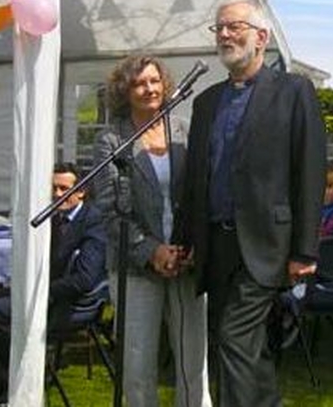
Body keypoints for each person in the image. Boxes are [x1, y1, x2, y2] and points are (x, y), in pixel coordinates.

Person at [179, 0, 327, 407]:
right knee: (250, 348)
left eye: (234, 27)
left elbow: (310, 171)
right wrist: (186, 239)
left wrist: (305, 248)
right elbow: (196, 177)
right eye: (219, 28)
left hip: (268, 243)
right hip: (217, 244)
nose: (224, 35)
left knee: (234, 338)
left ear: (261, 37)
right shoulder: (206, 102)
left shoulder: (294, 91)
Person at [93, 55, 211, 407]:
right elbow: (111, 212)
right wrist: (152, 251)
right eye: (139, 83)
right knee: (137, 365)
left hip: (186, 262)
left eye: (154, 81)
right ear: (124, 91)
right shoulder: (111, 140)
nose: (149, 89)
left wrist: (188, 246)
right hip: (134, 267)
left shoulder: (184, 130)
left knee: (193, 362)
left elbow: (200, 194)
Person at [0, 162, 107, 405]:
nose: (57, 194)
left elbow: (85, 279)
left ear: (81, 191)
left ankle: (15, 381)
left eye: (64, 189)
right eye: (53, 188)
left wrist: (41, 292)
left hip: (70, 302)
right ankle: (15, 370)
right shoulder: (52, 215)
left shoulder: (92, 221)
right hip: (45, 290)